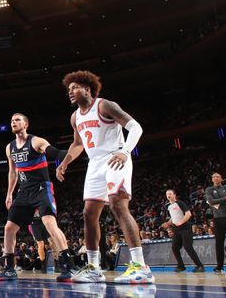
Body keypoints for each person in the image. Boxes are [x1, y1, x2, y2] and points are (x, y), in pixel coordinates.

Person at [56, 70, 153, 284]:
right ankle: (94, 269)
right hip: (94, 164)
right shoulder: (75, 117)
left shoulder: (104, 105)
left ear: (87, 89)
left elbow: (135, 127)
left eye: (74, 88)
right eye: (68, 90)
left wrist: (125, 151)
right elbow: (78, 143)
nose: (70, 92)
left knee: (118, 205)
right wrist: (65, 162)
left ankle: (141, 267)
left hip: (115, 156)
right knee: (88, 214)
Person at [0, 113, 76, 282]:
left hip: (41, 189)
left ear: (26, 124)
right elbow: (13, 172)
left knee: (50, 224)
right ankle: (10, 268)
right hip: (24, 192)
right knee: (9, 228)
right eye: (11, 121)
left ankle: (69, 266)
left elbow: (56, 153)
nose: (13, 122)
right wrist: (9, 193)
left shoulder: (36, 141)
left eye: (17, 120)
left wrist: (76, 148)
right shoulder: (10, 147)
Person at [161, 188, 205, 272]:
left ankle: (200, 266)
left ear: (174, 195)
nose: (168, 195)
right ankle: (181, 266)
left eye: (170, 193)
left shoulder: (180, 203)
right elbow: (173, 218)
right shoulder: (169, 206)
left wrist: (181, 222)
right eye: (167, 194)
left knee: (188, 247)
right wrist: (167, 223)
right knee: (174, 247)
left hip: (185, 228)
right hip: (176, 230)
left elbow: (188, 214)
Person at [28, 209, 50, 273]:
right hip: (34, 225)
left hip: (44, 224)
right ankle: (43, 265)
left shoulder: (43, 203)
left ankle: (55, 263)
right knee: (41, 244)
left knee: (48, 245)